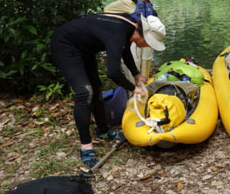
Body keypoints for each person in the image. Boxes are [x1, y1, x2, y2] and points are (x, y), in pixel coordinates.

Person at [50, 13, 166, 167]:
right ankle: (86, 147)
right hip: (65, 45)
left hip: (85, 49)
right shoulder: (118, 33)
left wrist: (136, 74)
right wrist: (133, 89)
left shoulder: (129, 26)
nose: (148, 46)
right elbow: (113, 73)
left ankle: (103, 130)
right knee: (85, 92)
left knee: (96, 89)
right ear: (143, 35)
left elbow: (123, 49)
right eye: (149, 43)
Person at [104, 0, 158, 78]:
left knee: (146, 61)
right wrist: (124, 20)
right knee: (133, 63)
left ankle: (143, 87)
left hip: (147, 37)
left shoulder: (148, 1)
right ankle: (132, 89)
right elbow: (107, 9)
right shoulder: (126, 2)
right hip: (133, 37)